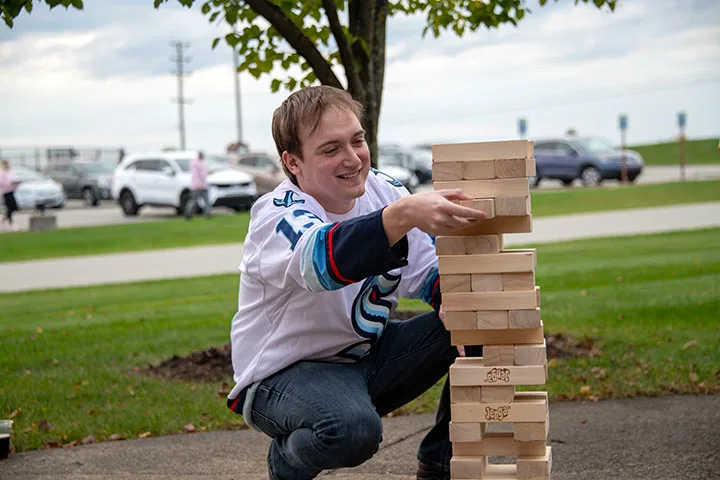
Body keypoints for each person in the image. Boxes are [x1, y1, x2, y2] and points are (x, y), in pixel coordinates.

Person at [226, 86, 487, 480]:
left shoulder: (385, 192)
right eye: (331, 150)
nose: (352, 159)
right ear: (292, 161)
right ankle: (285, 464)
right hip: (283, 375)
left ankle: (439, 465)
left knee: (485, 317)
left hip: (365, 359)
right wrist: (403, 214)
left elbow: (425, 270)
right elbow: (323, 262)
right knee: (352, 432)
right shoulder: (275, 214)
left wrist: (449, 297)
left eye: (357, 140)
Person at [185, 151, 211, 219]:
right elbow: (196, 175)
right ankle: (188, 214)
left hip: (204, 185)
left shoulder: (202, 163)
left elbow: (204, 174)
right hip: (197, 186)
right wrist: (198, 184)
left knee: (207, 201)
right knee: (193, 201)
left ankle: (207, 214)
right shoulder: (195, 163)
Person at [0, 160, 19, 232]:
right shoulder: (2, 173)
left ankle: (5, 218)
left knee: (14, 207)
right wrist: (8, 183)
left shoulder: (9, 172)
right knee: (10, 207)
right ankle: (11, 223)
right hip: (6, 192)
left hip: (11, 191)